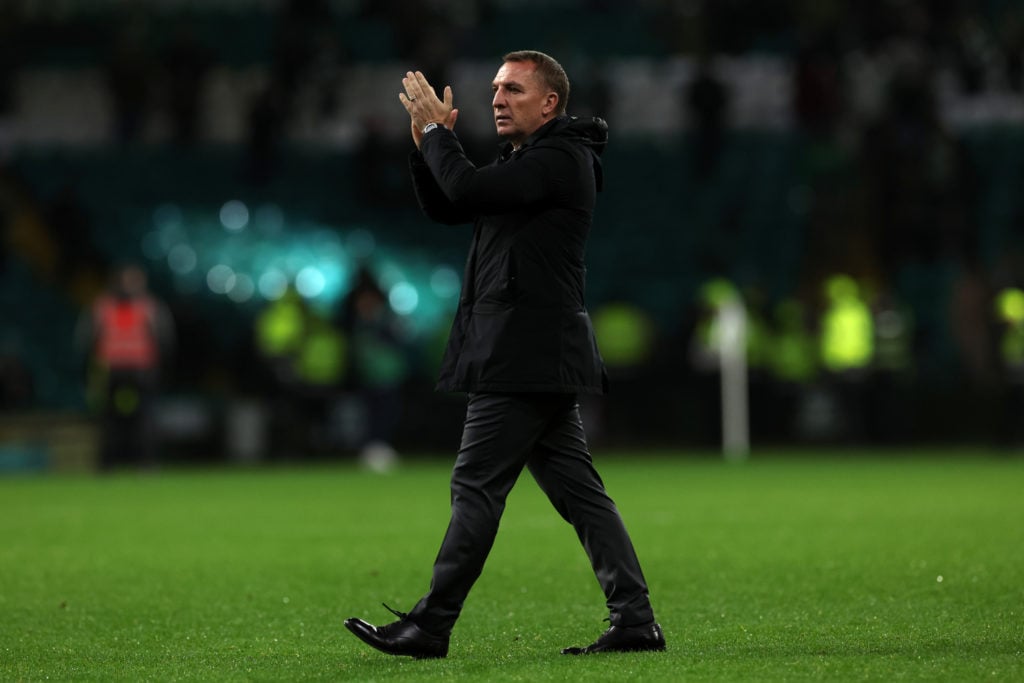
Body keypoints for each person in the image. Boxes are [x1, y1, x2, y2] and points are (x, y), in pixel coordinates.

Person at [344, 50, 664, 659]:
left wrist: (441, 134)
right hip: (532, 349)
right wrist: (423, 145)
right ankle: (635, 620)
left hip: (524, 351)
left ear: (550, 103)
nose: (496, 98)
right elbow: (451, 203)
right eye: (494, 88)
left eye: (513, 89)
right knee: (580, 494)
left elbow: (464, 184)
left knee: (476, 486)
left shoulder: (559, 158)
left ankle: (432, 624)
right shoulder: (533, 161)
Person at [77, 264, 175, 470]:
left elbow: (86, 339)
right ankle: (120, 463)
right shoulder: (149, 306)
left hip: (134, 368)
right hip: (123, 368)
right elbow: (165, 340)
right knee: (115, 418)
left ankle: (135, 462)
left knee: (138, 417)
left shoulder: (104, 306)